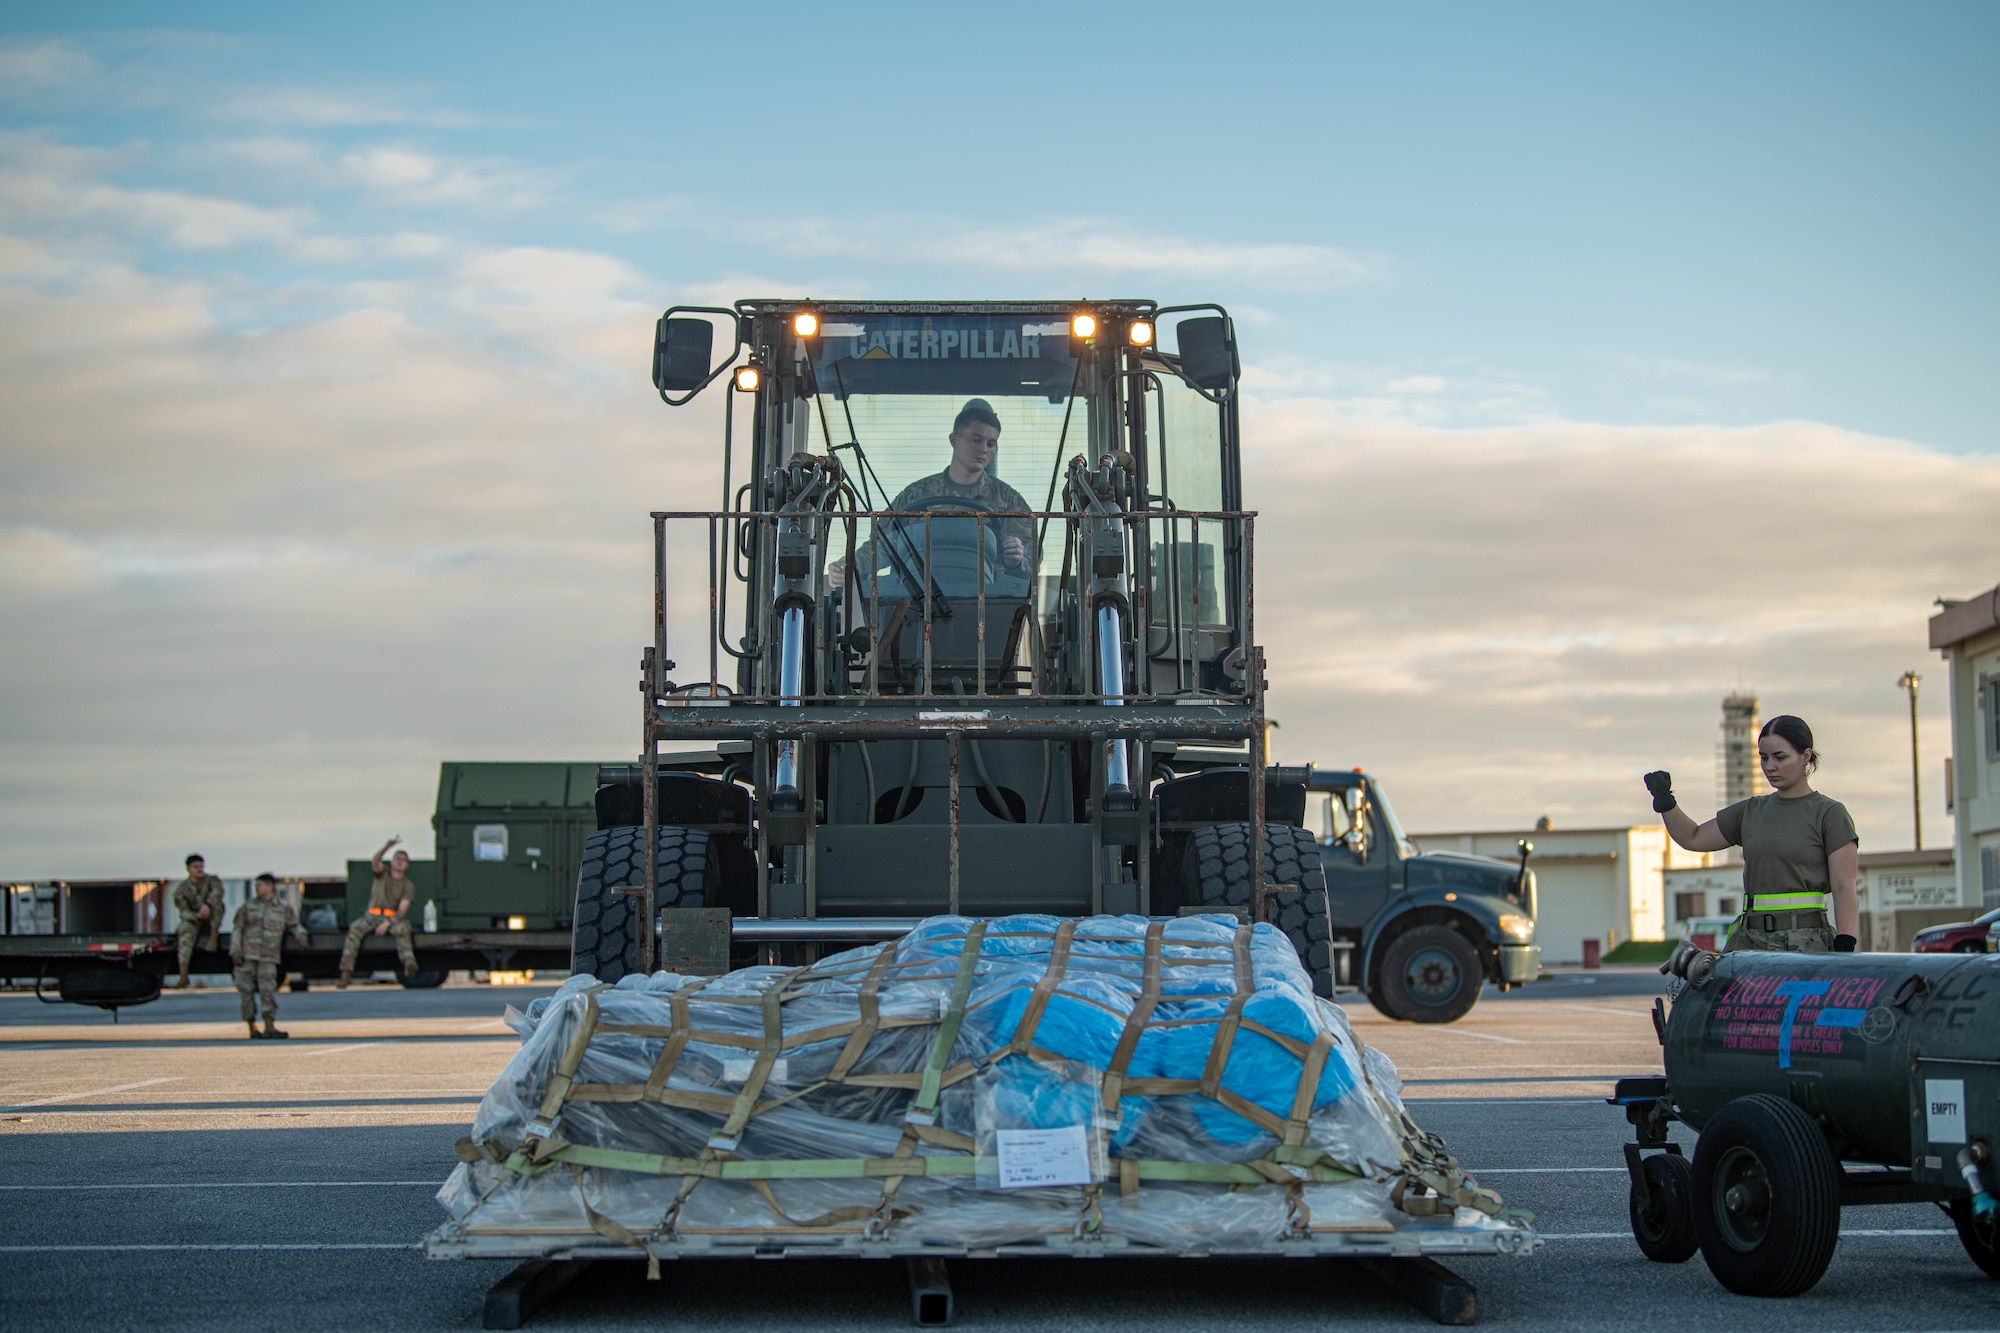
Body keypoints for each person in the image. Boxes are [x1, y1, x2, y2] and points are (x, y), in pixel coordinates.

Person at [1645, 714, 1860, 953]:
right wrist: (1666, 802)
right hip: (1750, 942)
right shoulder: (1750, 811)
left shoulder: (1830, 814)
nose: (1770, 767)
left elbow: (1844, 887)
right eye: (1764, 758)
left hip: (1806, 945)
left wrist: (1845, 944)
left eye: (1780, 757)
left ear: (1806, 756)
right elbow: (1693, 838)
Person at [828, 398, 1033, 591]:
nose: (984, 449)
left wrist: (1016, 561)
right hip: (915, 609)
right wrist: (849, 567)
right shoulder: (914, 496)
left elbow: (1030, 567)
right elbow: (883, 545)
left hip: (989, 609)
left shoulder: (1009, 501)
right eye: (976, 440)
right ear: (954, 439)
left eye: (991, 443)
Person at [231, 873, 307, 1039]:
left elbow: (294, 924)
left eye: (260, 885)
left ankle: (270, 1026)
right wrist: (235, 950)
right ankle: (252, 1027)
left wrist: (301, 936)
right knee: (246, 992)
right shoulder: (248, 907)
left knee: (267, 992)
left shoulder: (283, 907)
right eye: (256, 885)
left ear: (270, 886)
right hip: (248, 956)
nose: (257, 888)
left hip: (268, 956)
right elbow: (237, 930)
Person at [338, 835, 418, 987]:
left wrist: (387, 924)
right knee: (355, 930)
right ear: (392, 861)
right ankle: (346, 972)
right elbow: (375, 861)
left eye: (403, 860)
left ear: (407, 865)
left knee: (403, 929)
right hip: (371, 915)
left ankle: (409, 964)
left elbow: (402, 911)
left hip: (390, 918)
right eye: (397, 858)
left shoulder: (408, 886)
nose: (400, 861)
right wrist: (387, 846)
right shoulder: (382, 875)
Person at [169, 853, 227, 989]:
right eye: (196, 867)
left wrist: (207, 905)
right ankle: (183, 974)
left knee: (218, 906)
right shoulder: (181, 889)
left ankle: (213, 937)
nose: (200, 869)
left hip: (211, 920)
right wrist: (197, 915)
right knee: (185, 930)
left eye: (201, 866)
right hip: (195, 920)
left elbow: (218, 893)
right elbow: (183, 912)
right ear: (189, 869)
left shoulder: (212, 881)